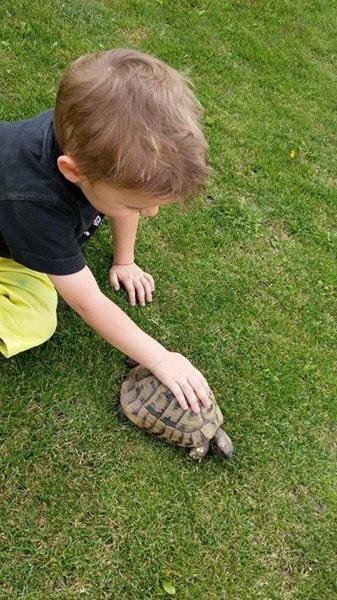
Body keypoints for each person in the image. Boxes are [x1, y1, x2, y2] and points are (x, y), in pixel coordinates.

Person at [0, 48, 211, 413]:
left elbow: (132, 196)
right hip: (12, 229)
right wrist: (160, 358)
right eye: (134, 205)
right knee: (34, 320)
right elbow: (87, 301)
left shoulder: (93, 145)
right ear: (72, 171)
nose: (151, 212)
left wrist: (124, 260)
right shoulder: (37, 203)